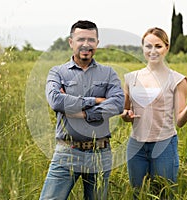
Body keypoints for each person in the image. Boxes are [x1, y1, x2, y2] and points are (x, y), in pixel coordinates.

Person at [121, 27, 187, 198]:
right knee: (137, 194)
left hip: (164, 145)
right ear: (142, 48)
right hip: (136, 146)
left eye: (158, 46)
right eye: (148, 46)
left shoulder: (177, 79)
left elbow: (179, 121)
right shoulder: (130, 78)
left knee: (165, 194)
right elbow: (126, 113)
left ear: (167, 48)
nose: (153, 51)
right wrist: (126, 116)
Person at [39, 20, 124, 200]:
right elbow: (55, 101)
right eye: (80, 39)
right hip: (67, 152)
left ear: (97, 43)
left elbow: (117, 103)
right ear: (71, 42)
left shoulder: (108, 73)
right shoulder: (58, 73)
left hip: (100, 154)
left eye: (91, 40)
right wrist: (95, 100)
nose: (86, 44)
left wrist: (83, 113)